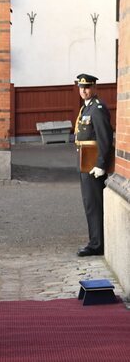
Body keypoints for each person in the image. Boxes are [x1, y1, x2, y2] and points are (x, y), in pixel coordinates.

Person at [74, 73, 113, 257]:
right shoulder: (86, 108)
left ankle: (97, 244)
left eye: (87, 87)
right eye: (81, 88)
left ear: (95, 88)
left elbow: (104, 138)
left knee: (94, 205)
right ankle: (95, 241)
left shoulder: (97, 108)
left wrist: (101, 164)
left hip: (93, 166)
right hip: (85, 163)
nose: (84, 91)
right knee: (89, 204)